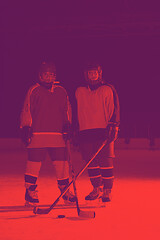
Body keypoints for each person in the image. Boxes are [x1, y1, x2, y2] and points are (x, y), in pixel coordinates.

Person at [20, 62, 76, 206]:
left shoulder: (61, 91)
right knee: (34, 164)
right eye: (46, 74)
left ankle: (65, 191)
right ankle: (30, 191)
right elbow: (27, 109)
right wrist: (26, 127)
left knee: (62, 164)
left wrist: (68, 125)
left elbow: (67, 110)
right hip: (37, 133)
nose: (48, 77)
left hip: (57, 134)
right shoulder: (34, 90)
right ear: (40, 75)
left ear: (55, 76)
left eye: (51, 74)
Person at [74, 63, 120, 202]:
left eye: (95, 73)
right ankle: (96, 189)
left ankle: (107, 190)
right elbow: (76, 111)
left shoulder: (108, 89)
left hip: (103, 130)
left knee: (106, 161)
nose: (92, 75)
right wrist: (75, 130)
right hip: (85, 131)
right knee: (91, 163)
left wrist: (114, 126)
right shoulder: (80, 91)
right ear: (85, 75)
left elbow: (115, 108)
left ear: (100, 74)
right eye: (90, 73)